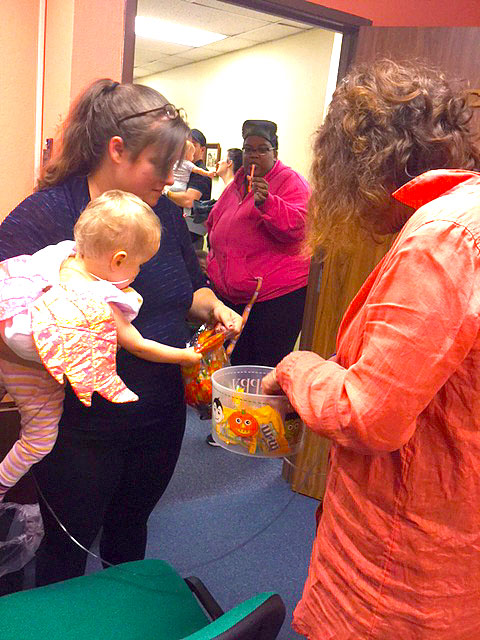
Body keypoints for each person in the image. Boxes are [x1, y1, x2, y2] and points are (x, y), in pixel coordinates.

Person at [261, 59, 480, 639]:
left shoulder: (443, 237)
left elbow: (369, 415)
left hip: (402, 561)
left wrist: (297, 366)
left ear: (362, 165)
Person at [0, 78, 242, 586]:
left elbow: (189, 292)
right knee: (67, 554)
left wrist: (217, 308)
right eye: (161, 163)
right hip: (80, 427)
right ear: (116, 150)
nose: (171, 177)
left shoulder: (161, 215)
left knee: (131, 535)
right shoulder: (48, 216)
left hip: (158, 417)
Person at [0, 190, 201, 500]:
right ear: (118, 259)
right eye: (138, 266)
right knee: (38, 441)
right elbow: (139, 344)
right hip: (31, 374)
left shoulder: (63, 255)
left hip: (9, 338)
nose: (138, 273)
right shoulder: (97, 300)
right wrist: (185, 356)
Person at [206, 120, 310, 369]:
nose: (254, 155)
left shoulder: (290, 182)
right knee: (231, 366)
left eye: (262, 149)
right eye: (248, 148)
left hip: (273, 301)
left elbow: (300, 228)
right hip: (232, 299)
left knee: (259, 372)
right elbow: (215, 222)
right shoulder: (238, 182)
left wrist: (269, 204)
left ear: (275, 152)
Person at [166, 128, 212, 249]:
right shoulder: (179, 167)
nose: (187, 147)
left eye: (193, 144)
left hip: (191, 236)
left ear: (202, 150)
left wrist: (165, 193)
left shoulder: (201, 173)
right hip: (174, 232)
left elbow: (189, 201)